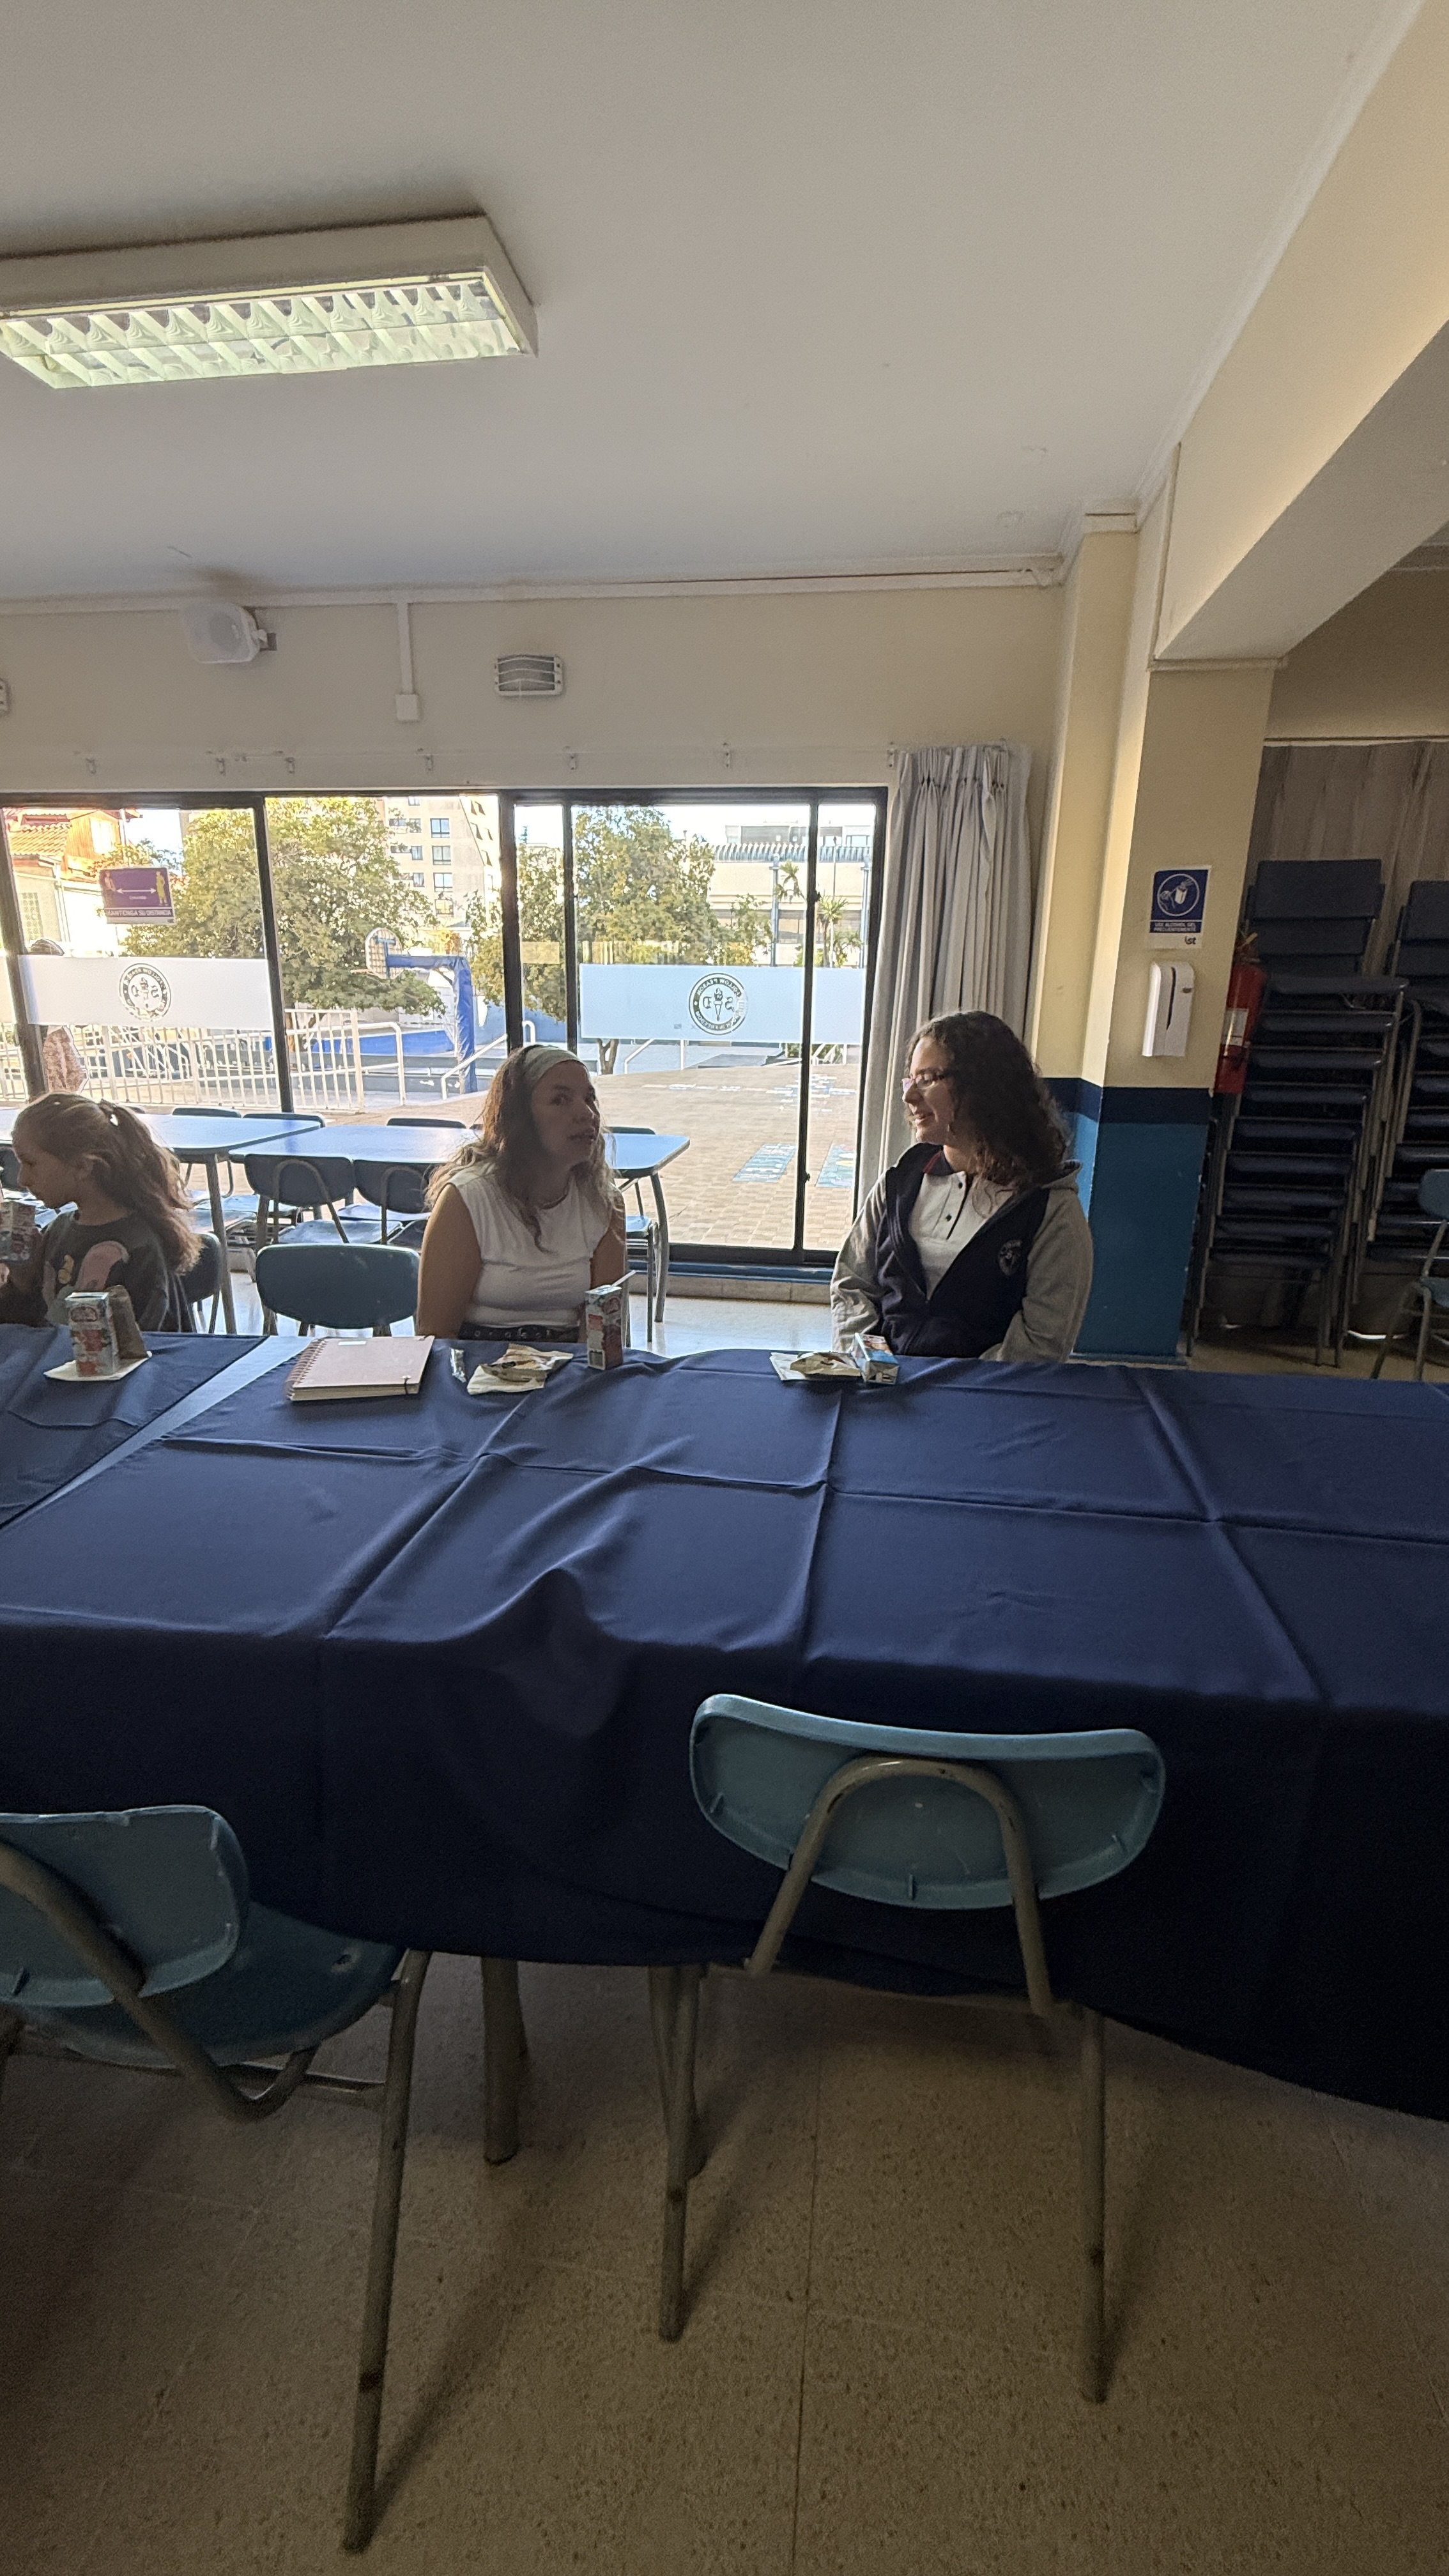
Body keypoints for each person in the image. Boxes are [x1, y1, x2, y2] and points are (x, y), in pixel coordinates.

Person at [831, 1011, 1093, 1361]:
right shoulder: (899, 1183)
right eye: (911, 1080)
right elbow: (852, 1284)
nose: (909, 1097)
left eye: (928, 1079)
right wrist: (869, 1361)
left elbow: (1041, 1344)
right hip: (883, 1383)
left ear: (984, 1086)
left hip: (979, 1391)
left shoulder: (1049, 1209)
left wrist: (945, 1385)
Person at [415, 1043, 627, 1340]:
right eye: (560, 1100)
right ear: (520, 1117)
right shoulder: (467, 1198)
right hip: (478, 1361)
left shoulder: (604, 1202)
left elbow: (602, 1332)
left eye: (589, 1098)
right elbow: (436, 1335)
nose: (586, 1113)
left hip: (571, 1361)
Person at [0, 1092, 201, 1331]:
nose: (22, 1179)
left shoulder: (141, 1249)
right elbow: (29, 1330)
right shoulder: (57, 1230)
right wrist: (22, 1281)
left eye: (31, 1163)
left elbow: (143, 1344)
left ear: (82, 1166)